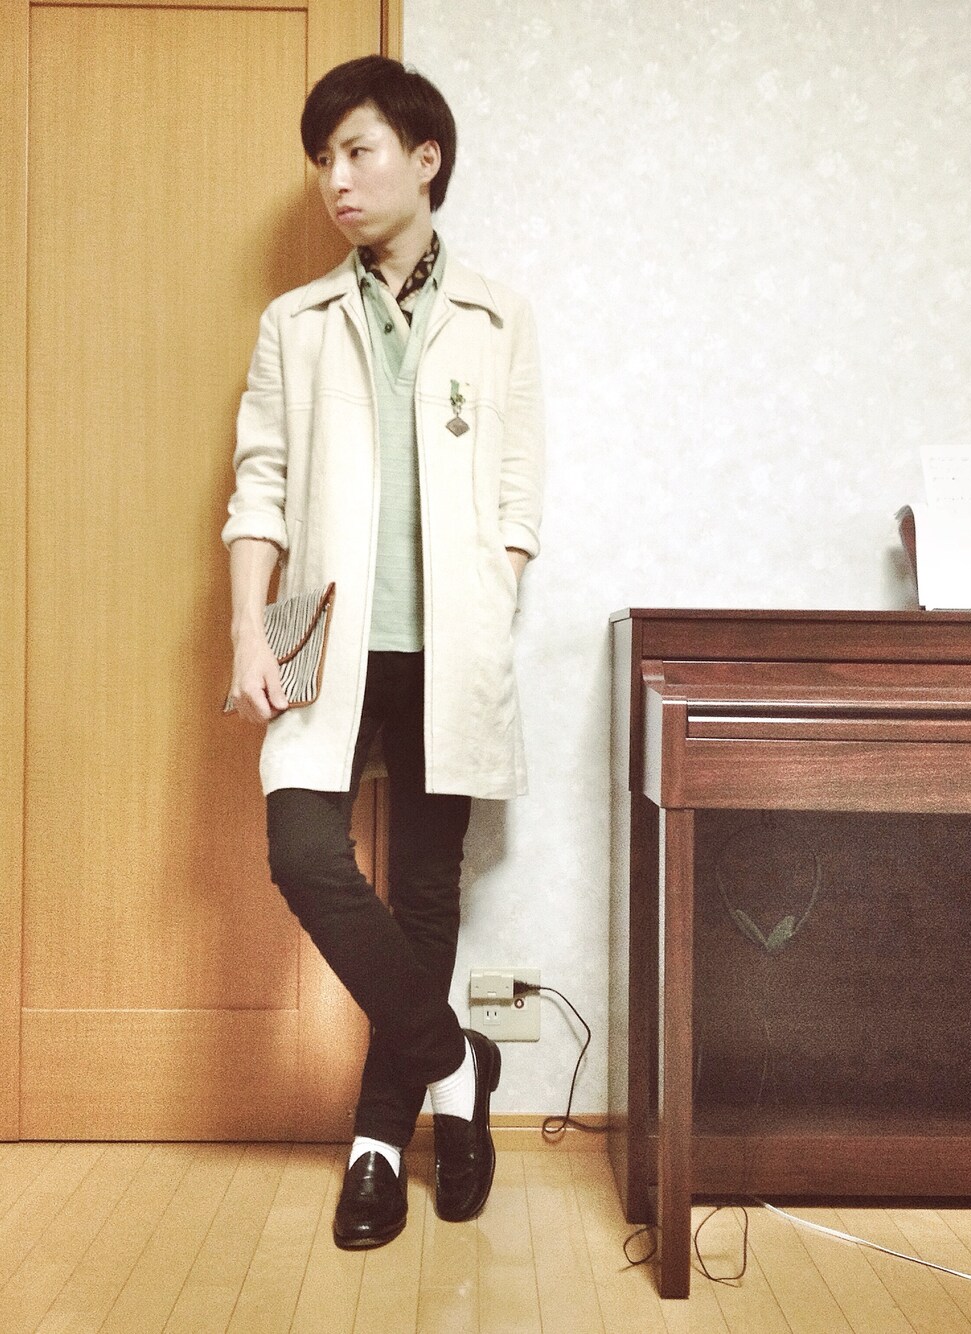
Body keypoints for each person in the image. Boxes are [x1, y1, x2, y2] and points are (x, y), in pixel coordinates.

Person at [222, 55, 544, 1250]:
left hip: (448, 642)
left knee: (422, 891)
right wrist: (248, 625)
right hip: (321, 635)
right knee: (303, 850)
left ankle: (376, 1141)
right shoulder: (295, 323)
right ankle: (459, 1064)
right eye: (322, 159)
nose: (335, 180)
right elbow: (259, 487)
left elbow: (518, 497)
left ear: (425, 157)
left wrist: (493, 585)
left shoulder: (498, 316)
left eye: (356, 151)